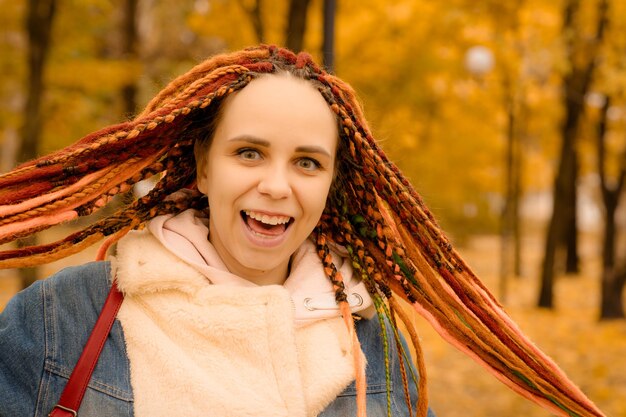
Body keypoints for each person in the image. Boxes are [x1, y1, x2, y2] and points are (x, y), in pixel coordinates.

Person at [0, 45, 603, 417]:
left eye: (307, 162)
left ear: (331, 183)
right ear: (204, 166)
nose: (277, 185)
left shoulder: (373, 346)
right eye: (250, 153)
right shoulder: (61, 319)